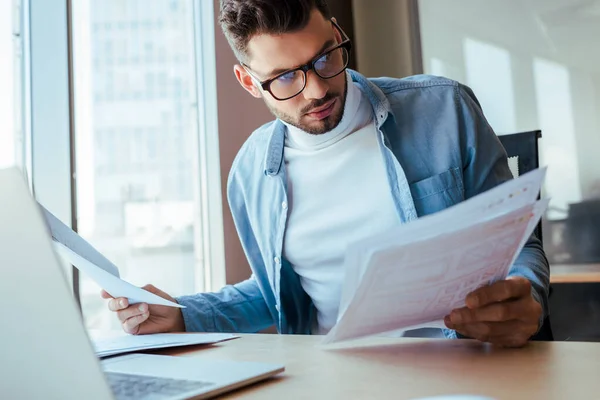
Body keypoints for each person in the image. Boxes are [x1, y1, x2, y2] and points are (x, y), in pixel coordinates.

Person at [103, 0, 549, 348]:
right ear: (247, 81)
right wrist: (182, 313)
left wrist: (526, 295)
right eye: (283, 78)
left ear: (336, 34)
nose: (316, 89)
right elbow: (275, 294)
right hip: (329, 377)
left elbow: (517, 245)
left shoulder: (444, 109)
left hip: (460, 365)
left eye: (323, 58)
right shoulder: (250, 173)